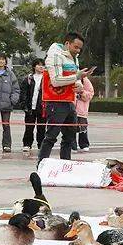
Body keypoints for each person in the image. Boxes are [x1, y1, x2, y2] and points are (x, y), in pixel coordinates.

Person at [39, 31, 93, 163]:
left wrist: (79, 85)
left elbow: (76, 77)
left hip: (70, 101)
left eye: (80, 48)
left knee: (69, 137)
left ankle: (65, 165)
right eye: (76, 47)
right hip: (56, 101)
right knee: (51, 136)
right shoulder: (55, 56)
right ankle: (41, 165)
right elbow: (56, 80)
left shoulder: (74, 58)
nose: (78, 51)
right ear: (67, 43)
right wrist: (77, 77)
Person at [18, 59, 46, 154]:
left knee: (41, 128)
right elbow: (23, 93)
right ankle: (27, 144)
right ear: (34, 66)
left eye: (42, 65)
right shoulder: (29, 78)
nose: (41, 67)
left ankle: (41, 145)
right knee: (29, 127)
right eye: (38, 65)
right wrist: (24, 105)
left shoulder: (47, 79)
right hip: (30, 107)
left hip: (42, 108)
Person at [74, 76, 94, 152]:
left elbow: (90, 93)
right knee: (70, 128)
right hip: (70, 108)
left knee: (83, 128)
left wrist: (82, 92)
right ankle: (72, 145)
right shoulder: (68, 77)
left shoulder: (84, 80)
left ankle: (84, 144)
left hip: (81, 109)